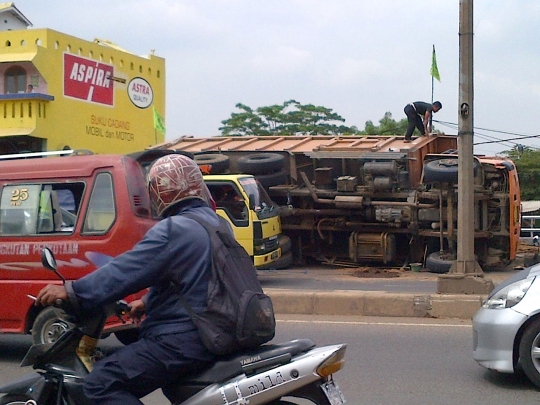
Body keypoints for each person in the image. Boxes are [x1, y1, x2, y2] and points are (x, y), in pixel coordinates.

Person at [35, 154, 220, 405]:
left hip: (184, 340)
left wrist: (73, 291)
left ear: (161, 192)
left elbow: (127, 269)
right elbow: (194, 278)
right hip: (215, 331)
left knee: (100, 383)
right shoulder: (215, 224)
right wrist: (147, 301)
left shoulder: (175, 229)